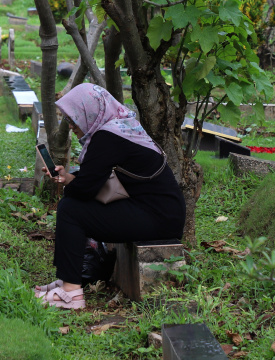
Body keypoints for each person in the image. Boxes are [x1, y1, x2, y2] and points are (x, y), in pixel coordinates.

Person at [35, 84, 185, 309]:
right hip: (161, 213)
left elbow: (86, 189)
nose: (72, 125)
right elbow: (94, 181)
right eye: (68, 118)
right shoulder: (120, 127)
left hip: (156, 218)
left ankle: (70, 293)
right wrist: (68, 179)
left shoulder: (107, 136)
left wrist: (72, 185)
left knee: (70, 209)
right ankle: (67, 280)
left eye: (75, 118)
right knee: (73, 205)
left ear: (90, 112)